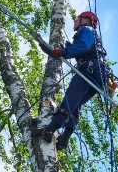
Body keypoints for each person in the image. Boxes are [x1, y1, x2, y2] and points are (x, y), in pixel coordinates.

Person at [31, 11, 107, 150]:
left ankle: (49, 130)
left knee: (69, 100)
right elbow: (67, 53)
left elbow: (83, 46)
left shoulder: (87, 30)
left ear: (84, 20)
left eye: (76, 19)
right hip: (98, 74)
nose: (74, 22)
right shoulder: (90, 36)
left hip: (89, 69)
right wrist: (45, 46)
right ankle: (65, 138)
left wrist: (64, 51)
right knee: (75, 105)